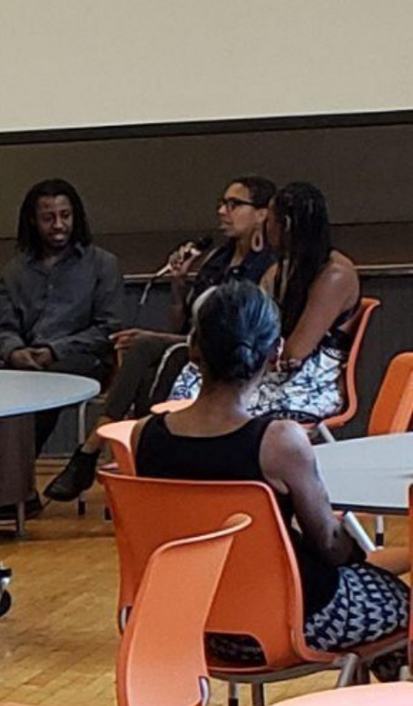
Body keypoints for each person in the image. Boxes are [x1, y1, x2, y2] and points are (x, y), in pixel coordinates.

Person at [135, 281, 406, 674]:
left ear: (193, 349)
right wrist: (357, 554)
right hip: (292, 619)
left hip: (196, 622)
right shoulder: (278, 442)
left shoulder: (144, 435)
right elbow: (329, 546)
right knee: (399, 605)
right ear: (276, 351)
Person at [46, 176, 278, 502]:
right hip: (192, 345)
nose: (222, 211)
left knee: (150, 348)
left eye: (234, 204)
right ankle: (113, 457)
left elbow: (231, 332)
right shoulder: (217, 259)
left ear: (262, 214)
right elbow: (184, 323)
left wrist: (160, 337)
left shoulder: (267, 266)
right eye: (222, 203)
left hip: (225, 355)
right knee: (144, 358)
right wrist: (179, 283)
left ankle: (96, 452)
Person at [166, 182, 363, 425]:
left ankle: (211, 444)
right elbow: (255, 328)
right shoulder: (279, 270)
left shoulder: (334, 274)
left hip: (307, 383)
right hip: (270, 372)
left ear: (285, 225)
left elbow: (295, 354)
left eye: (269, 221)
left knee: (218, 399)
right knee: (194, 376)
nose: (265, 228)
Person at [0, 179, 123, 469]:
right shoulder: (15, 271)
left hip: (84, 359)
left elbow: (108, 328)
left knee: (47, 384)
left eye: (65, 216)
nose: (58, 225)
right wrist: (14, 352)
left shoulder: (103, 264)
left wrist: (54, 350)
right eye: (48, 218)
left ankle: (15, 477)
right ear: (33, 221)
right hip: (27, 362)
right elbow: (6, 328)